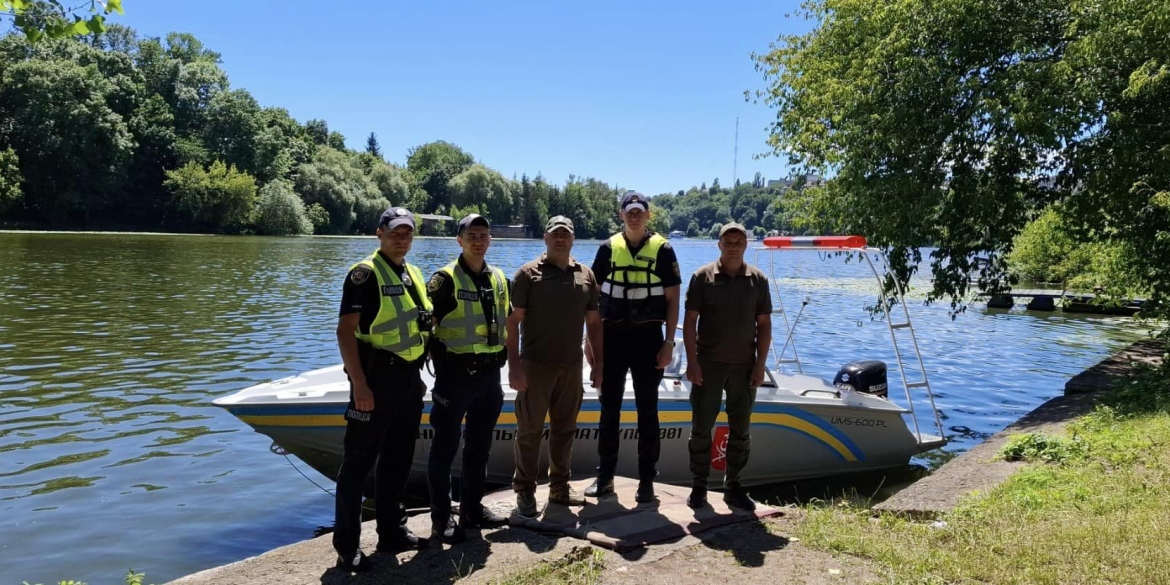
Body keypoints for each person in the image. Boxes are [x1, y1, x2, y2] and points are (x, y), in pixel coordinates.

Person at [332, 207, 432, 573]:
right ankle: (347, 547)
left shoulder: (414, 273)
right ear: (379, 233)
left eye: (407, 232)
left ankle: (391, 531)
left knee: (398, 460)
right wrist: (359, 383)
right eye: (395, 231)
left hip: (407, 380)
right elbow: (346, 331)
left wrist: (418, 372)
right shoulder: (364, 274)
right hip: (373, 380)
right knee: (357, 464)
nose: (401, 237)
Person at [585, 191, 682, 503]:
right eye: (630, 211)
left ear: (648, 215)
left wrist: (669, 343)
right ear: (621, 214)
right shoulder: (607, 249)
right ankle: (605, 477)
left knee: (647, 411)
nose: (635, 216)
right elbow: (592, 303)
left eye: (640, 211)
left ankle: (646, 482)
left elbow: (673, 300)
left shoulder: (663, 250)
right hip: (613, 340)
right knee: (609, 410)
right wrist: (591, 347)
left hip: (648, 340)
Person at [506, 215, 604, 516]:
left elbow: (594, 324)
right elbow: (512, 322)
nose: (560, 239)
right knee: (530, 430)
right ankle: (525, 490)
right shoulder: (527, 274)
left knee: (565, 429)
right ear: (545, 239)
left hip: (572, 366)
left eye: (566, 234)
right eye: (555, 234)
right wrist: (514, 366)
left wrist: (598, 364)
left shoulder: (585, 275)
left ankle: (560, 487)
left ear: (573, 239)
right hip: (535, 365)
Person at [426, 213, 511, 544]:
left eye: (484, 235)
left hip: (490, 376)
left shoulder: (500, 278)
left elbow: (509, 321)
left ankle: (472, 508)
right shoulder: (444, 280)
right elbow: (426, 326)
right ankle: (441, 519)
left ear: (490, 241)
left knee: (479, 446)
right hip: (455, 375)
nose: (478, 240)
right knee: (444, 448)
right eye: (471, 235)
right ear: (459, 240)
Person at [682, 223, 772, 510]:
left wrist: (761, 366)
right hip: (708, 366)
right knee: (701, 429)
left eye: (738, 241)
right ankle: (699, 485)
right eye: (728, 241)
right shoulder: (702, 277)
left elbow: (765, 325)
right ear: (719, 244)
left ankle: (733, 485)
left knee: (741, 430)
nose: (733, 246)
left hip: (744, 367)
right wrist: (692, 362)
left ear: (745, 245)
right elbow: (690, 322)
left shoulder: (758, 280)